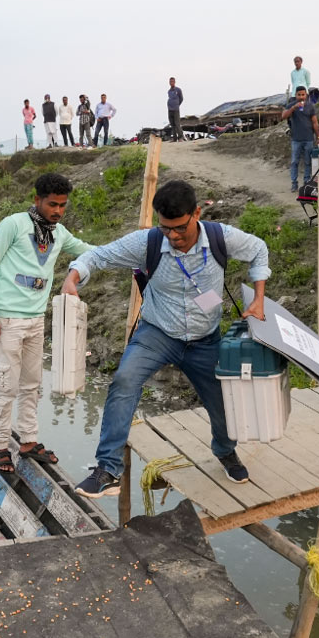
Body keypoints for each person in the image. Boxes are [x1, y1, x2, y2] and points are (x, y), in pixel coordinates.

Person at [62, 180, 270, 497]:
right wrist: (73, 276)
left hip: (205, 339)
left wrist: (258, 300)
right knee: (124, 381)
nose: (173, 235)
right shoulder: (147, 242)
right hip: (157, 333)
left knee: (224, 407)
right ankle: (108, 469)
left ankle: (225, 450)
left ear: (196, 213)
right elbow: (99, 256)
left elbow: (258, 250)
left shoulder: (221, 237)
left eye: (180, 228)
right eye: (166, 228)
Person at [0, 173, 94, 474]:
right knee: (6, 385)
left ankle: (29, 441)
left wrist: (130, 250)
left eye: (62, 206)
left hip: (35, 319)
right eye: (52, 205)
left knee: (32, 384)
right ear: (37, 200)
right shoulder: (13, 225)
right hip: (6, 319)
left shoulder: (59, 233)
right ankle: (1, 445)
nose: (57, 211)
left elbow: (88, 250)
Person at [281, 85, 319, 194]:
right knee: (294, 162)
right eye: (299, 95)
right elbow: (283, 116)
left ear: (306, 95)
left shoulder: (310, 106)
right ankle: (294, 183)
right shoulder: (291, 105)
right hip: (296, 139)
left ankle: (306, 182)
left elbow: (315, 122)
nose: (301, 97)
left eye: (303, 95)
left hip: (308, 139)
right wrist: (294, 108)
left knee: (308, 161)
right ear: (295, 95)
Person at [167, 77, 184, 142]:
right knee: (172, 124)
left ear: (174, 82)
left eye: (172, 81)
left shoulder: (178, 90)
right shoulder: (169, 91)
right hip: (170, 109)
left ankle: (180, 137)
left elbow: (181, 99)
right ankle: (174, 138)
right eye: (170, 82)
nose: (171, 83)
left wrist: (177, 104)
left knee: (177, 123)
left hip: (176, 109)